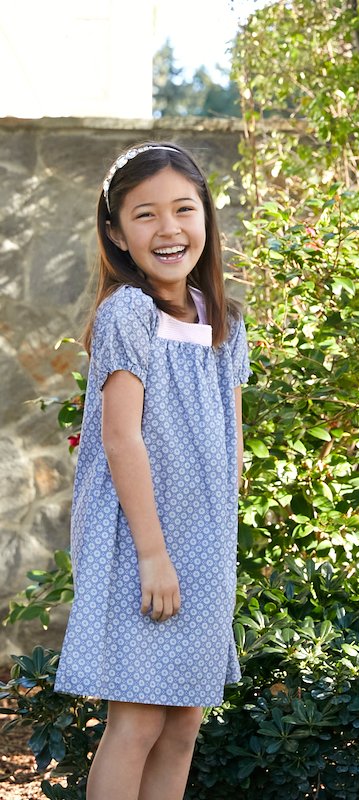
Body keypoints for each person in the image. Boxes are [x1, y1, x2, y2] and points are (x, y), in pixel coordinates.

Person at [55, 142, 249, 800]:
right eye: (145, 215)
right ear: (116, 232)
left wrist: (217, 547)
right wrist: (154, 554)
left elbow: (232, 441)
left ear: (206, 218)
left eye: (183, 209)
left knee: (183, 724)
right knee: (136, 722)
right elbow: (119, 440)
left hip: (202, 545)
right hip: (144, 544)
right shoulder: (128, 314)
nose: (168, 230)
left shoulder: (224, 319)